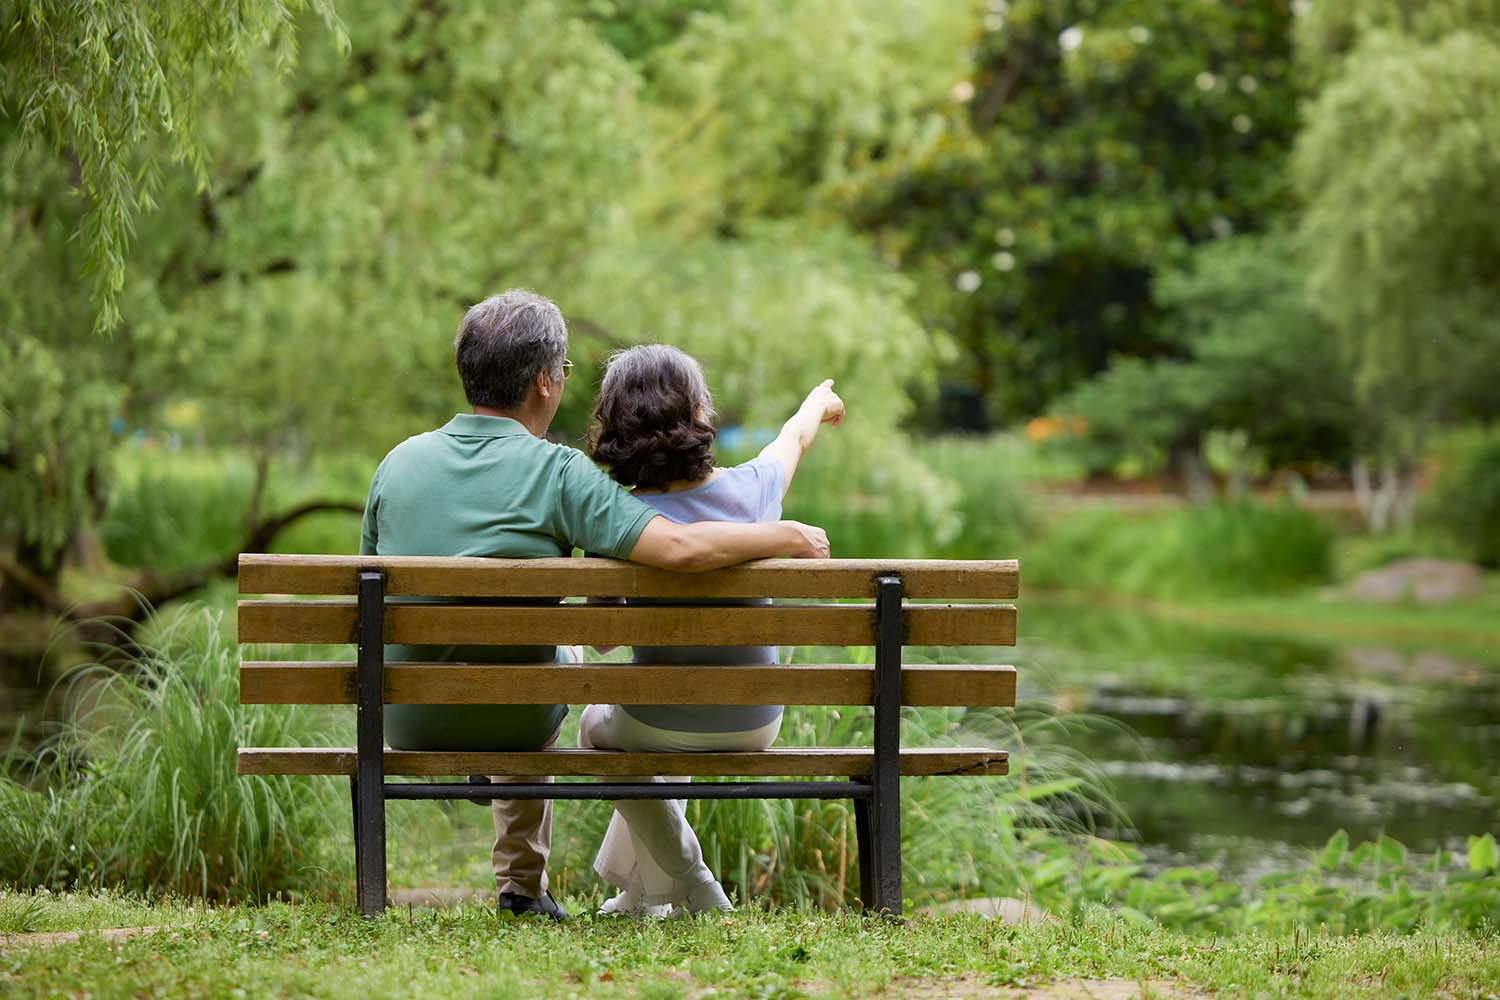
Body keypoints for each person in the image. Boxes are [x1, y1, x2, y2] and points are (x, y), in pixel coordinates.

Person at [358, 291, 830, 921]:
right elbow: (681, 546)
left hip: (406, 716)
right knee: (549, 660)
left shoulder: (396, 465)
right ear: (547, 383)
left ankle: (633, 890)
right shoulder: (557, 472)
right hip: (515, 722)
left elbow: (365, 600)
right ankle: (523, 889)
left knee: (556, 659)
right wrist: (785, 534)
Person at [579, 344, 844, 916]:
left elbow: (600, 639)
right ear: (700, 415)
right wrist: (818, 402)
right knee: (651, 738)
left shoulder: (618, 518)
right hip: (756, 723)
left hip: (656, 722)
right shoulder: (757, 489)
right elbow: (793, 438)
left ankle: (690, 879)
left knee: (597, 731)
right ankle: (642, 892)